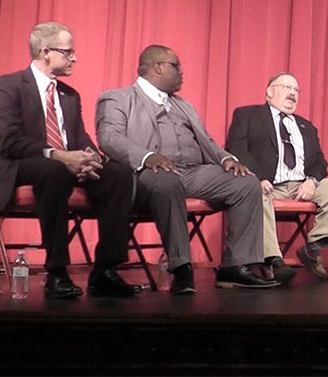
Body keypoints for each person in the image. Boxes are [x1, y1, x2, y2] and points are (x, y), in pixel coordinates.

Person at [96, 45, 277, 294]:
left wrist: (226, 160)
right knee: (168, 182)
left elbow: (208, 142)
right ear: (158, 66)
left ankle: (236, 267)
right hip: (147, 173)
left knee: (245, 182)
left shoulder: (184, 106)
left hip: (193, 172)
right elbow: (109, 137)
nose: (182, 72)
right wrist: (147, 156)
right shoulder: (118, 97)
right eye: (176, 66)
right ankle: (182, 268)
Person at [0, 22, 140, 298]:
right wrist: (58, 155)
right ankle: (56, 271)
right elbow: (9, 141)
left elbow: (80, 139)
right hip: (22, 163)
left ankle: (105, 269)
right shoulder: (8, 86)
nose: (75, 57)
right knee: (54, 170)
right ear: (46, 52)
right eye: (68, 52)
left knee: (118, 174)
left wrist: (91, 159)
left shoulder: (69, 95)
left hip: (64, 162)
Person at [225, 73, 328, 281]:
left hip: (300, 186)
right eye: (286, 87)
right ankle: (275, 259)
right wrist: (259, 177)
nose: (292, 93)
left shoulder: (306, 126)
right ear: (269, 92)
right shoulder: (247, 115)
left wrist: (312, 180)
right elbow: (236, 149)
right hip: (266, 185)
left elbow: (320, 161)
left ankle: (313, 247)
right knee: (255, 191)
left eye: (296, 90)